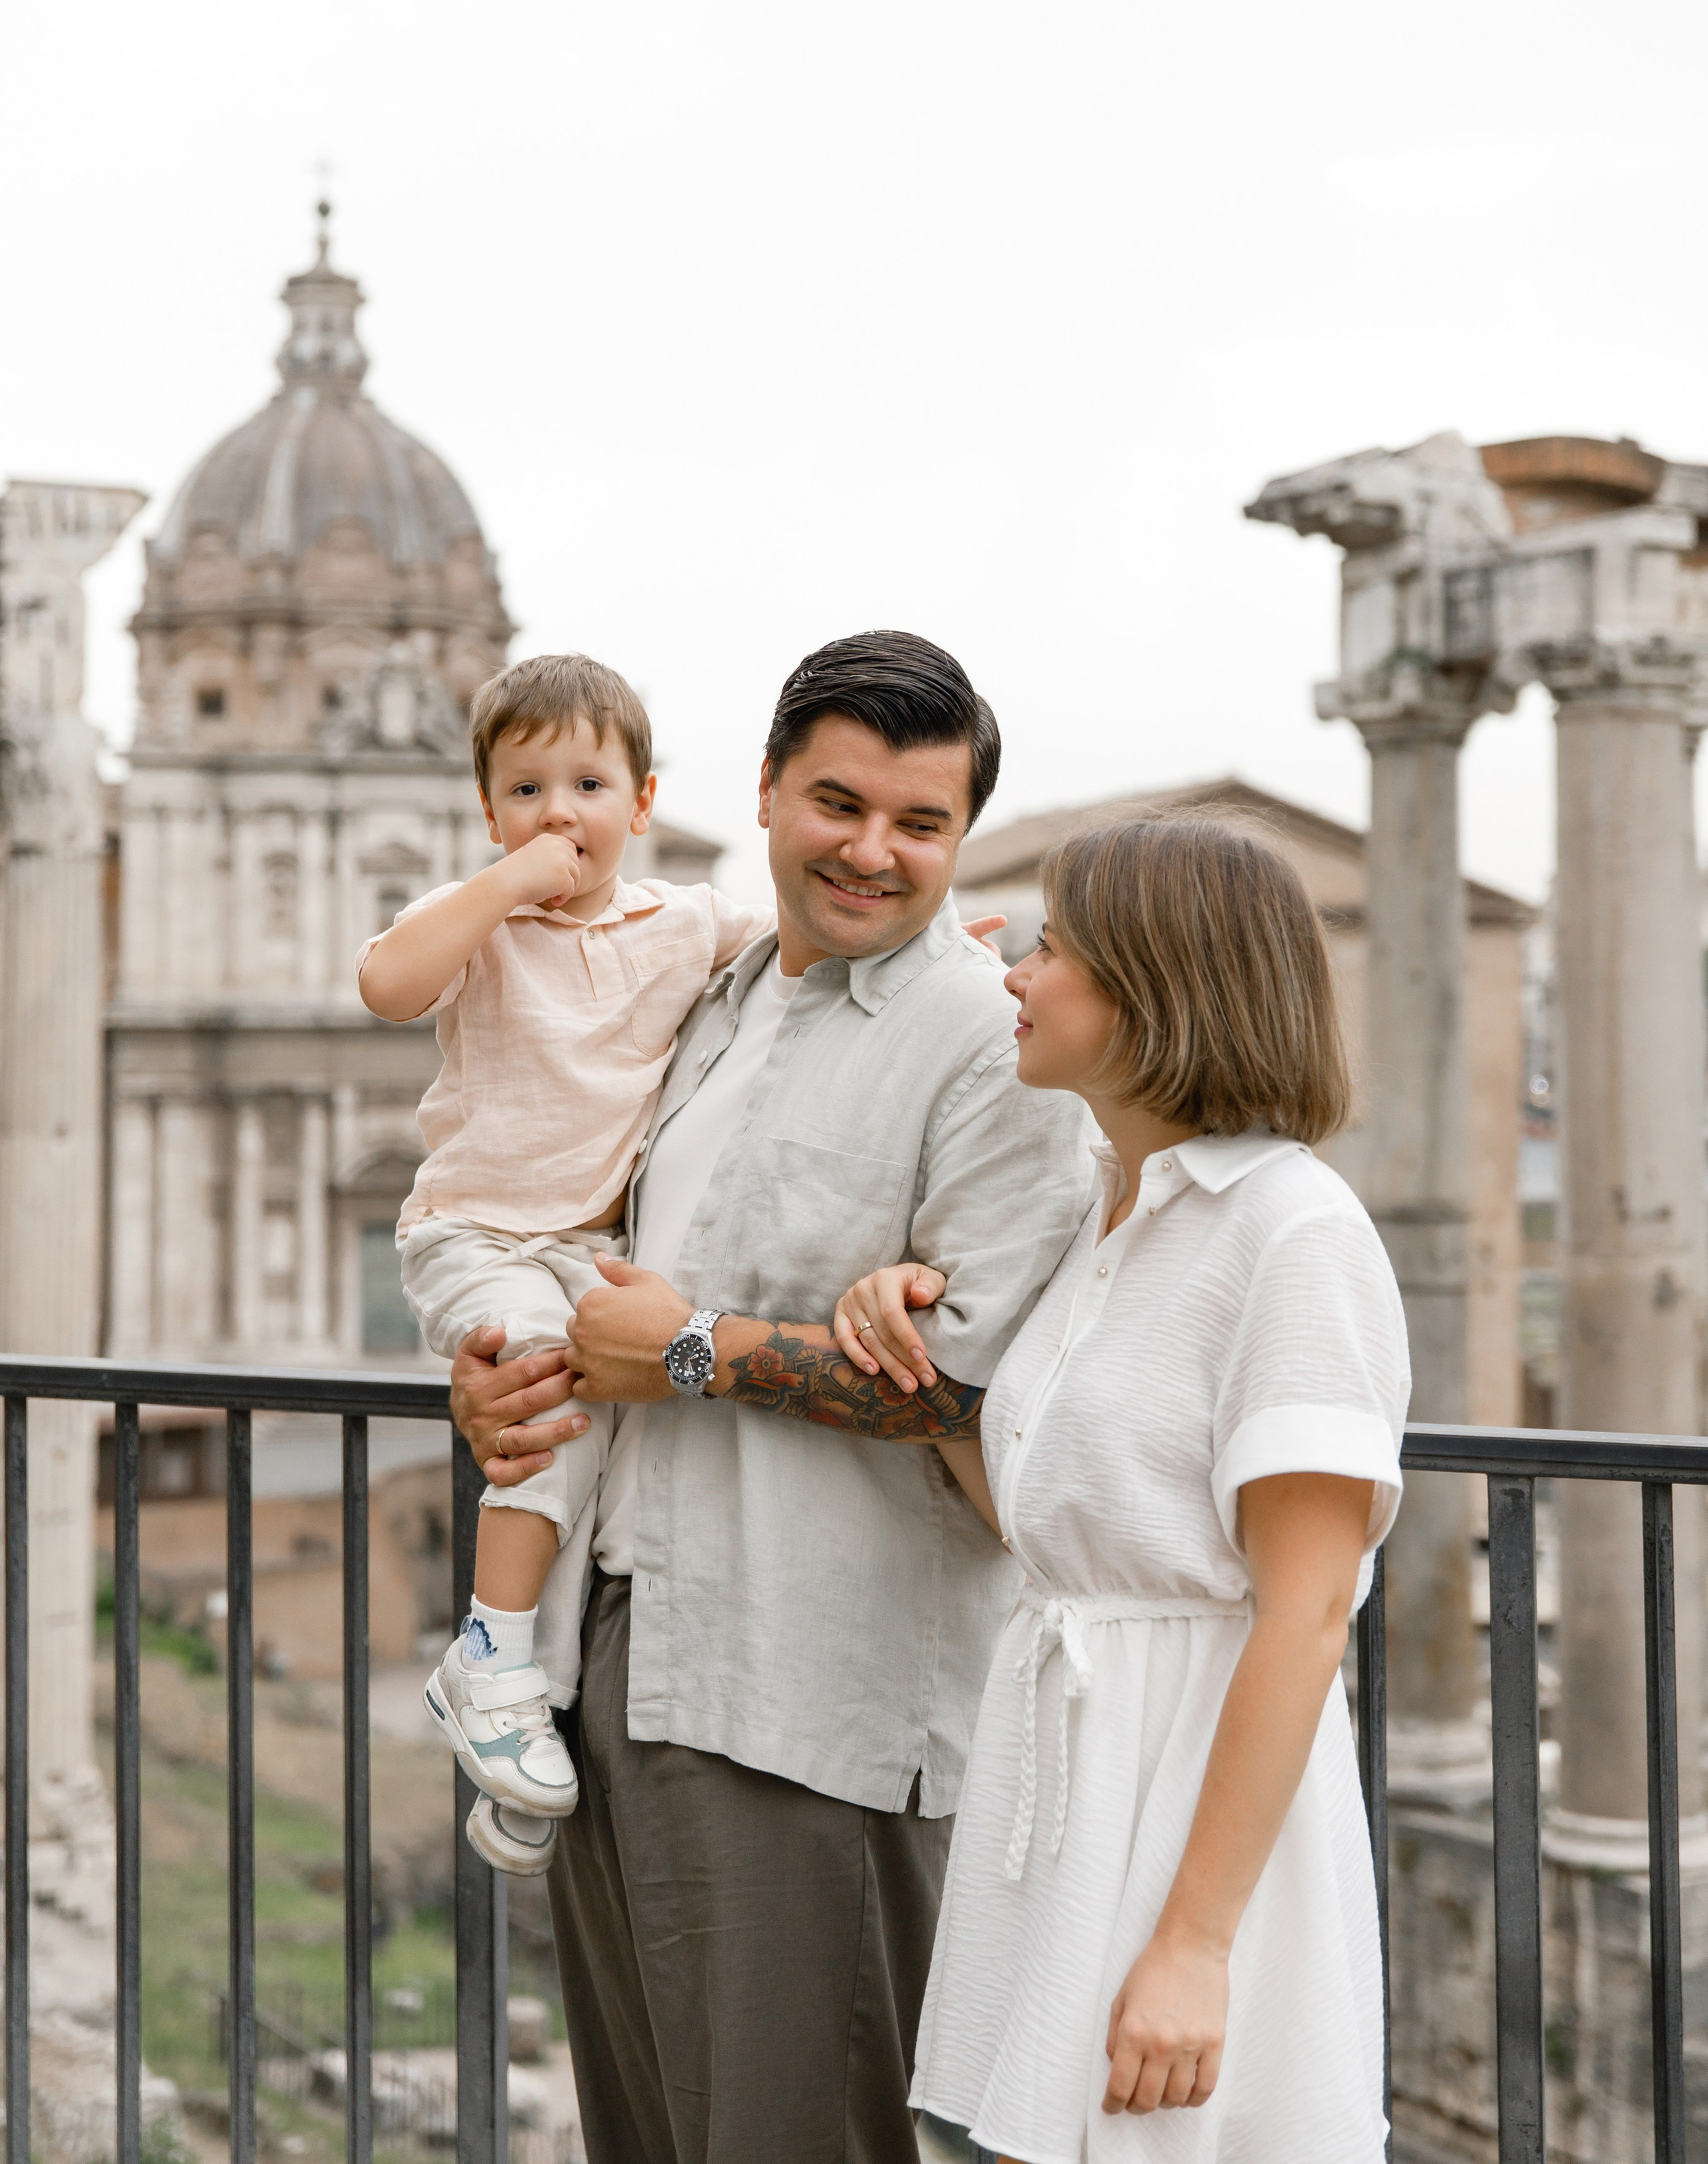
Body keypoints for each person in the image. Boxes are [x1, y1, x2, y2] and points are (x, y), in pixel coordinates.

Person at [448, 629, 1096, 2164]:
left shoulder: (990, 1049)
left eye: (919, 823)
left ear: (961, 838)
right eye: (837, 804)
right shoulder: (713, 994)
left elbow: (972, 1392)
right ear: (761, 795)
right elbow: (595, 1261)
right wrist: (514, 1383)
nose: (872, 852)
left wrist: (690, 1352)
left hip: (816, 1708)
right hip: (627, 1662)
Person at [834, 816, 1410, 2161]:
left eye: (1050, 950)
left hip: (1191, 1808)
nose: (1013, 978)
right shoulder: (1106, 1212)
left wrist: (1195, 1947)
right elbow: (1059, 1526)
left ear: (1160, 991)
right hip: (1061, 1789)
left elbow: (1307, 1614)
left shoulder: (1295, 1233)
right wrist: (903, 1353)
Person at [356, 651, 772, 1874]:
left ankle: (522, 1716)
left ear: (643, 805)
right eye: (526, 789)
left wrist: (941, 946)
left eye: (588, 784)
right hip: (475, 1231)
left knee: (595, 1446)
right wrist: (501, 888)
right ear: (489, 813)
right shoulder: (479, 931)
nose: (558, 814)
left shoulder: (685, 920)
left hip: (589, 1246)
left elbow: (804, 954)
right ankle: (488, 1648)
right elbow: (387, 983)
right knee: (540, 1388)